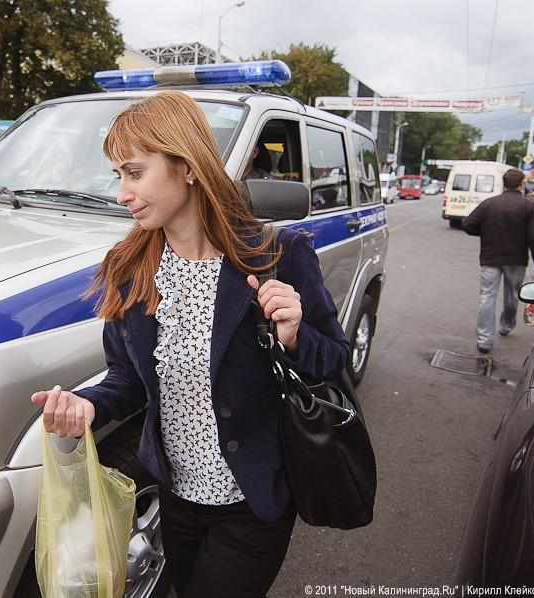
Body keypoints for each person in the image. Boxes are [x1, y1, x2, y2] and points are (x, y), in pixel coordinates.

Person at [30, 91, 349, 598]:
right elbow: (127, 380)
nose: (121, 193)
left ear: (189, 167)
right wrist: (85, 405)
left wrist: (294, 337)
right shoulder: (128, 268)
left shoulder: (277, 255)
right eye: (118, 175)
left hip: (253, 504)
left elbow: (336, 361)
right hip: (176, 500)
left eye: (134, 173)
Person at [462, 168, 534, 354]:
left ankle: (484, 340)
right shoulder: (529, 207)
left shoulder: (489, 204)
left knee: (487, 297)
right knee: (513, 295)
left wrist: (486, 232)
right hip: (516, 259)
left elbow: (468, 224)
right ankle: (507, 325)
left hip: (490, 257)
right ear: (521, 184)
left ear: (503, 184)